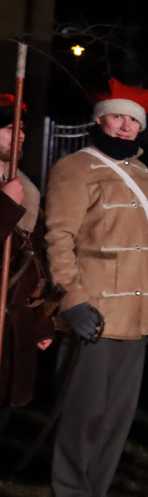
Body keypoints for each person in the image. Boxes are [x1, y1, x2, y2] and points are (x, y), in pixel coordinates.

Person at [44, 78, 148, 497]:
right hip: (92, 312)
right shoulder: (75, 167)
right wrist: (71, 300)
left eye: (133, 120)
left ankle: (99, 495)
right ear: (99, 119)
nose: (124, 126)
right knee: (82, 414)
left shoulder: (143, 174)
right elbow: (58, 238)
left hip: (135, 315)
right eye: (117, 116)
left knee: (116, 415)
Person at [0, 95, 55, 431]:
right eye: (9, 127)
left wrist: (41, 321)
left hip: (13, 327)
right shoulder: (14, 194)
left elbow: (34, 264)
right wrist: (5, 206)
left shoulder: (27, 192)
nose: (20, 134)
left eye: (22, 129)